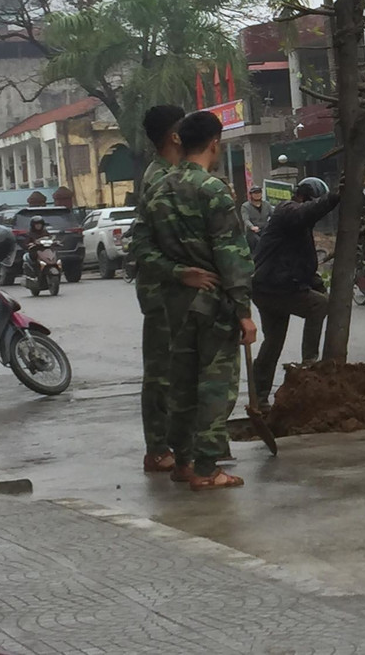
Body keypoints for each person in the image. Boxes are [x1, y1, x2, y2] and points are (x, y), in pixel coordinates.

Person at [138, 110, 256, 491]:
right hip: (214, 306)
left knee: (182, 384)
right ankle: (207, 468)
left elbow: (139, 248)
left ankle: (183, 461)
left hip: (176, 306)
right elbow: (231, 255)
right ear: (213, 144)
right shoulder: (213, 189)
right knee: (215, 387)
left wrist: (176, 273)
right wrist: (244, 311)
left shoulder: (157, 187)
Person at [129, 104, 220, 475]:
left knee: (181, 369)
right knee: (163, 372)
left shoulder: (174, 174)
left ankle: (179, 445)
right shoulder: (160, 179)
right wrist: (180, 272)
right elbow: (145, 244)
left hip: (177, 289)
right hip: (163, 290)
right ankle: (159, 447)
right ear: (175, 137)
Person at [250, 176, 340, 411]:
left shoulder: (298, 229)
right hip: (273, 287)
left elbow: (304, 265)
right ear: (301, 197)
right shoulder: (286, 211)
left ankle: (258, 397)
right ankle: (308, 365)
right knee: (319, 306)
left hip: (271, 287)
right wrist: (332, 198)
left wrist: (318, 285)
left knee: (273, 342)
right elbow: (306, 212)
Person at [240, 186, 271, 253]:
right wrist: (252, 227)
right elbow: (246, 219)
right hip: (252, 232)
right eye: (255, 193)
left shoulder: (267, 204)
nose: (257, 195)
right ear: (251, 195)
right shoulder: (245, 206)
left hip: (264, 230)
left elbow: (273, 215)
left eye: (259, 193)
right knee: (257, 243)